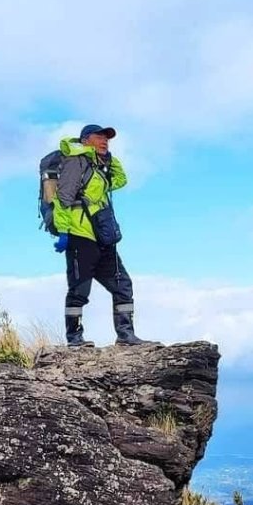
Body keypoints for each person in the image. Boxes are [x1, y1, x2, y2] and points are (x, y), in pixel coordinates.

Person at [51, 124, 153, 347]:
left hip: (103, 237)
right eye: (99, 137)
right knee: (79, 290)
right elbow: (63, 199)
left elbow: (121, 180)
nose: (105, 141)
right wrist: (64, 232)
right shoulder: (75, 162)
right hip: (80, 235)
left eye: (107, 138)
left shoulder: (99, 166)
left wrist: (109, 159)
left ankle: (126, 335)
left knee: (122, 284)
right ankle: (75, 339)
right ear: (86, 139)